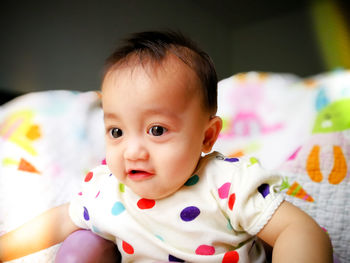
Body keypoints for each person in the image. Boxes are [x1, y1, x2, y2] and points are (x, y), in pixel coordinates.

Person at [0, 31, 333, 263]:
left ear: (207, 136)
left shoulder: (226, 183)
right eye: (116, 131)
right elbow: (54, 224)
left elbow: (299, 230)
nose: (132, 151)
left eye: (156, 130)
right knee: (79, 246)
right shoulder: (108, 191)